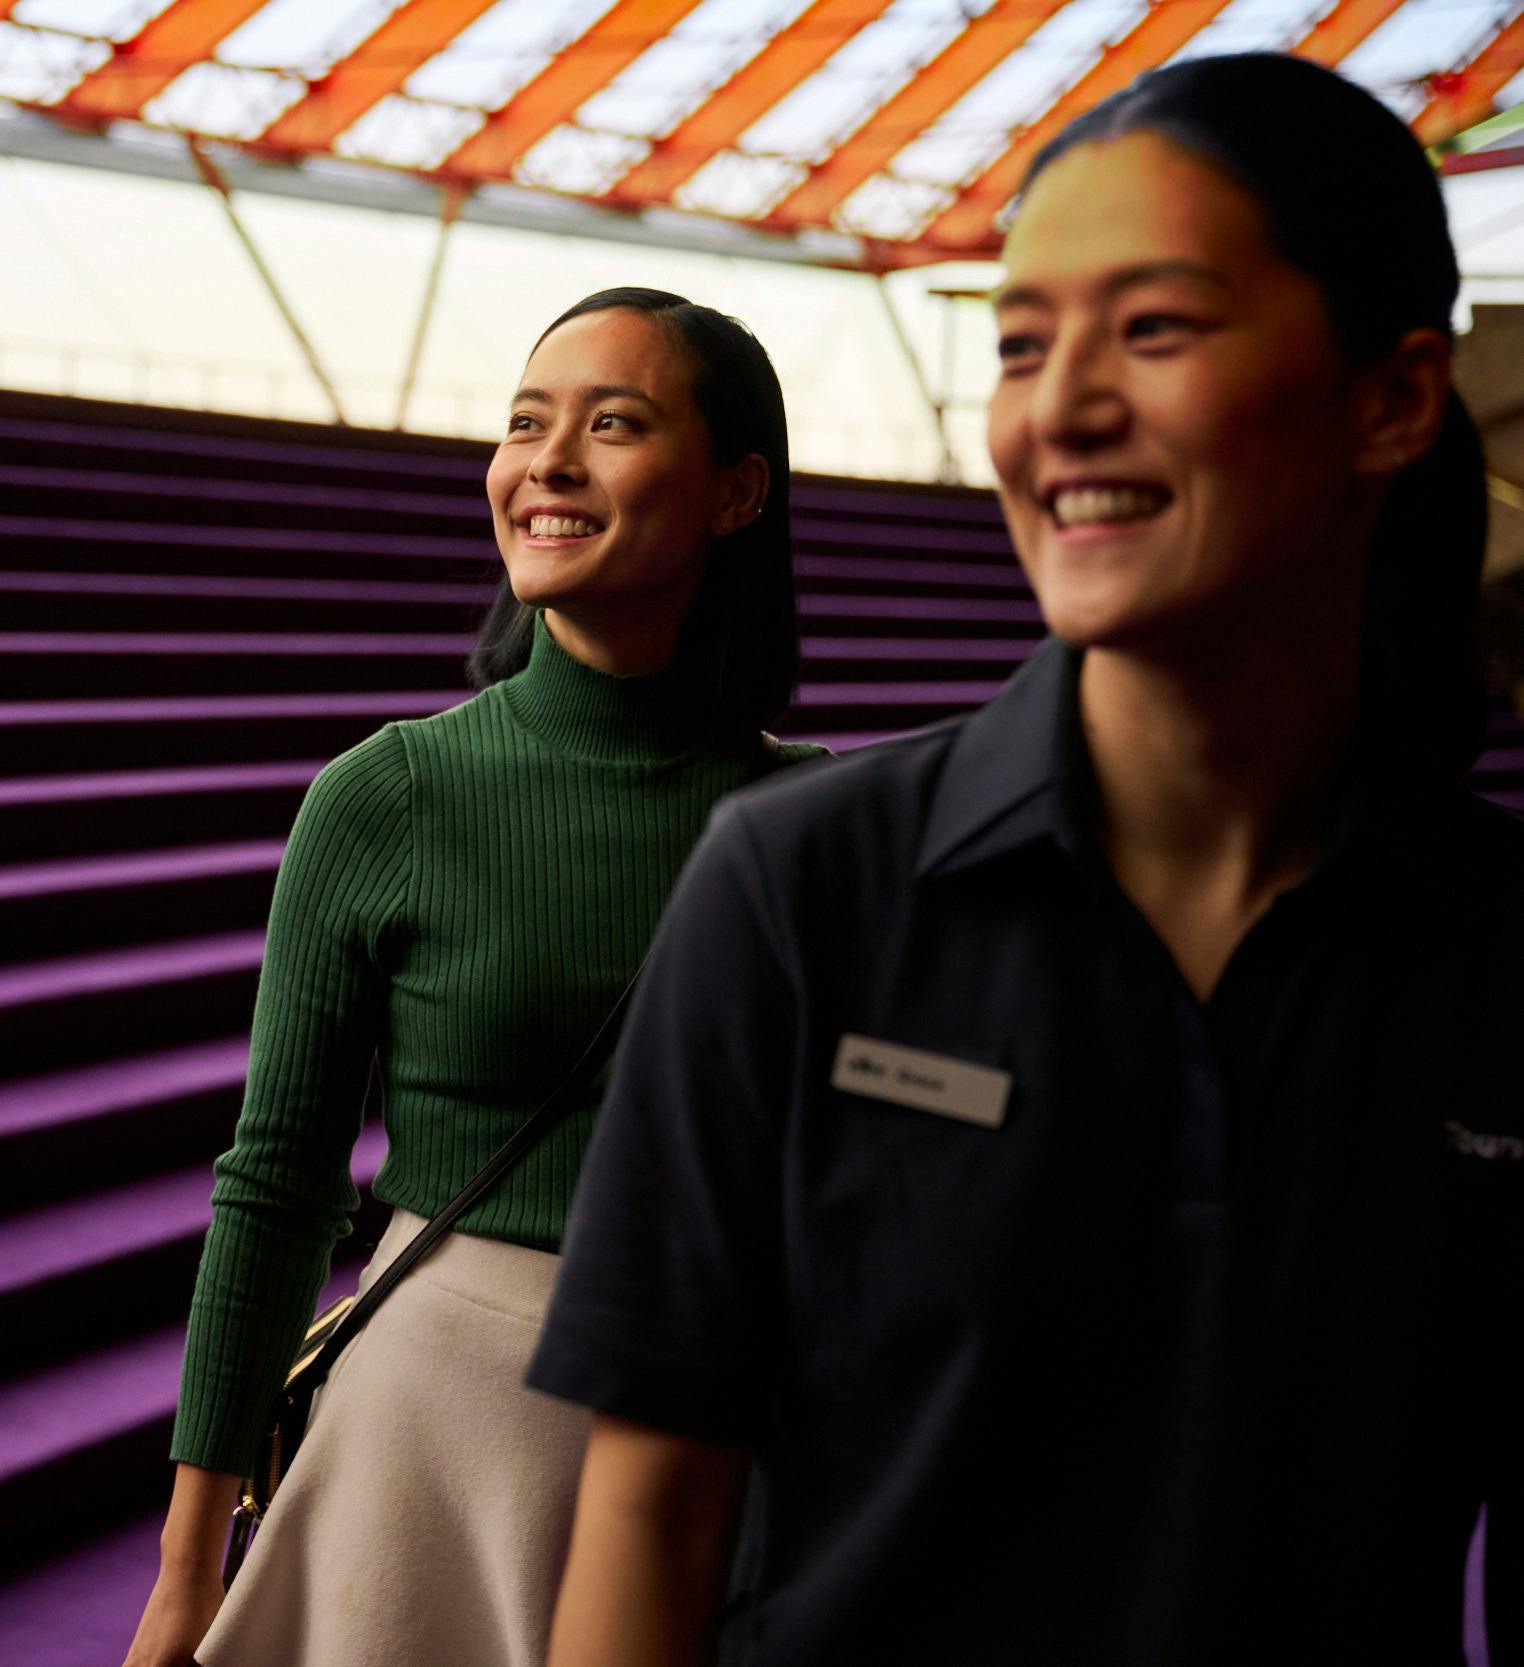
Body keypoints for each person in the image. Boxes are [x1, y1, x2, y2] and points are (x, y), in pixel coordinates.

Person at [530, 52, 1519, 1667]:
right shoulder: (797, 889)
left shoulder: (1499, 953)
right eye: (1020, 344)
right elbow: (650, 1519)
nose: (1057, 409)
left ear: (1395, 398)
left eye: (1153, 328)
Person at [122, 288, 822, 1667]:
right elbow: (276, 1184)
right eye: (524, 424)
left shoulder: (821, 831)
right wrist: (187, 1569)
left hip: (721, 1432)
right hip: (438, 1425)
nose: (546, 463)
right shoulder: (387, 795)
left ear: (738, 492)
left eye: (612, 425)